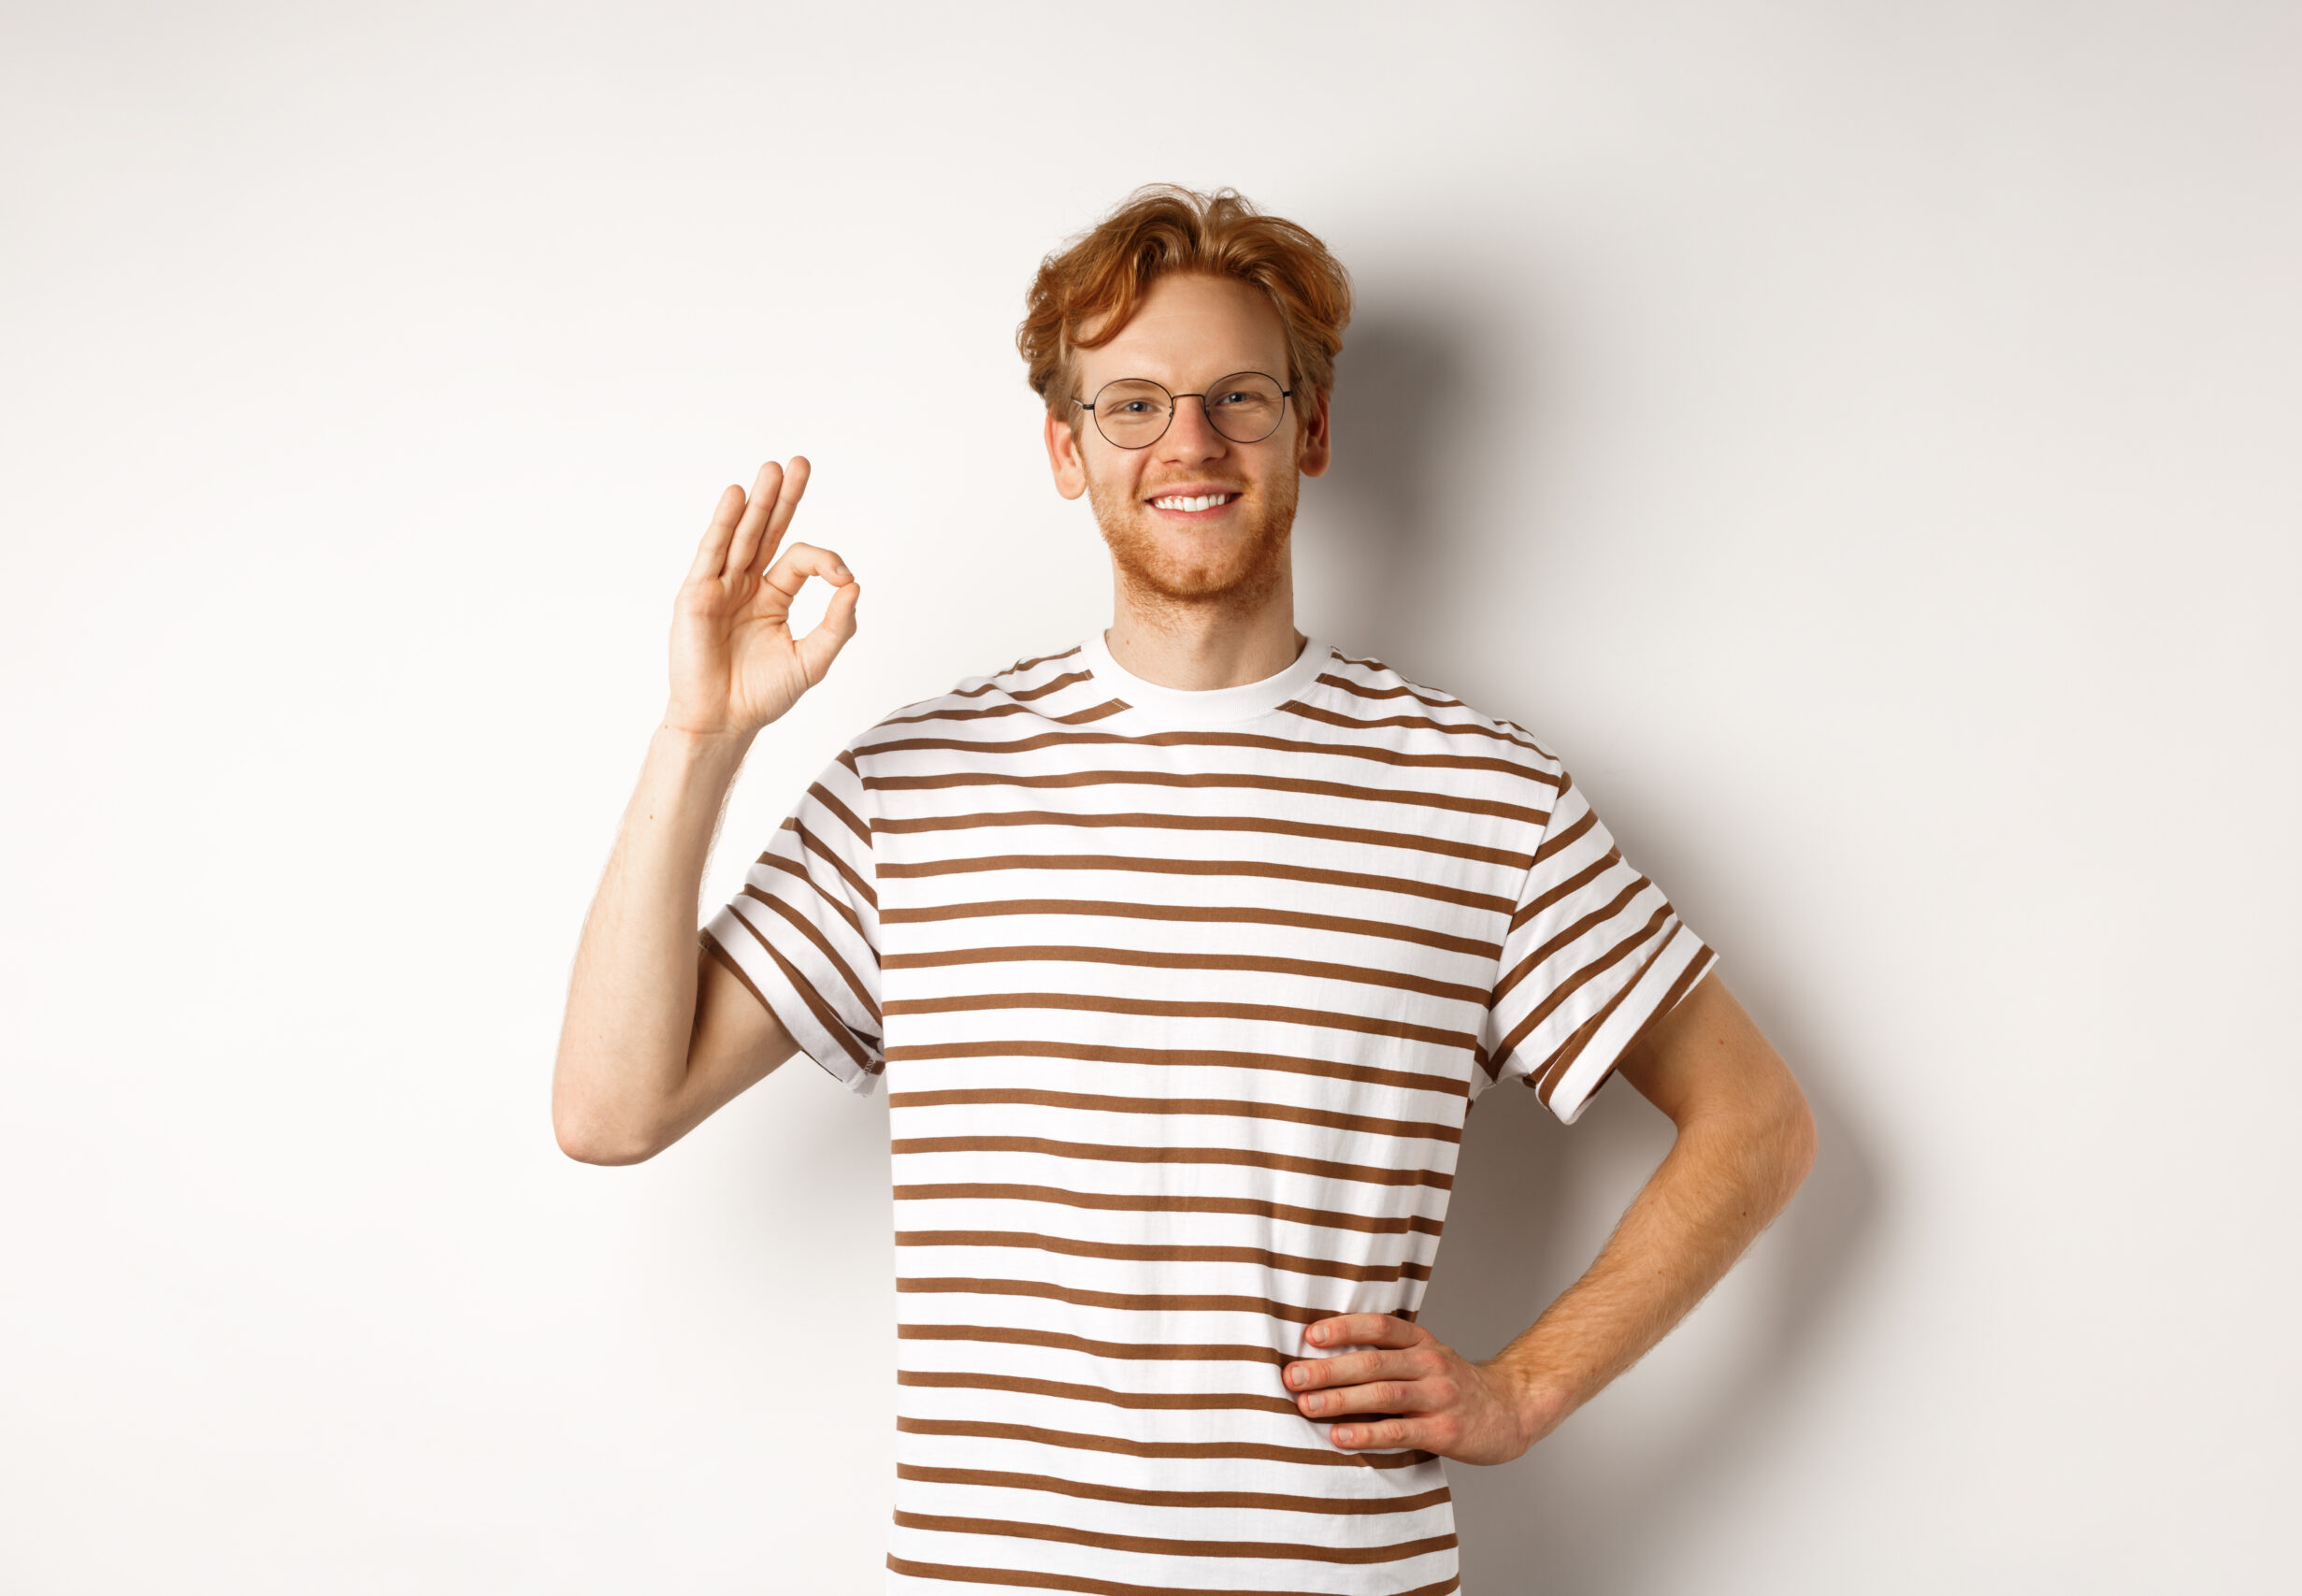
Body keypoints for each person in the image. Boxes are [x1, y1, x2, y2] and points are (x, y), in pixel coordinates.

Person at [553, 184, 1817, 1595]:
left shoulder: (1480, 793)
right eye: (1134, 405)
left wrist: (1520, 1391)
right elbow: (611, 1111)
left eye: (1238, 397)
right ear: (1065, 447)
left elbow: (1757, 1124)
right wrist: (703, 739)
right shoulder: (914, 781)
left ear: (1313, 428)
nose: (1190, 443)